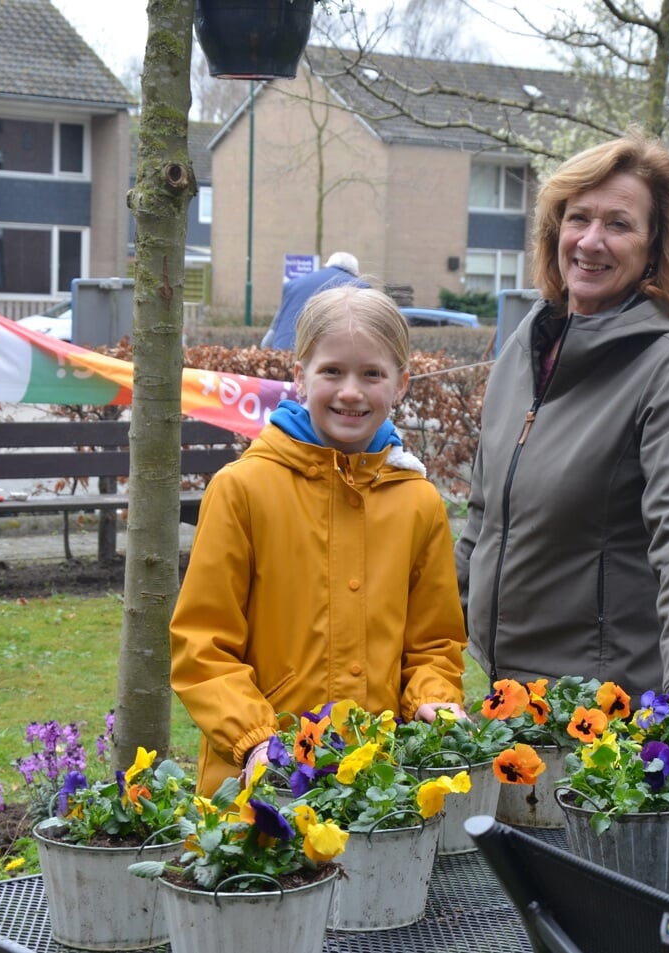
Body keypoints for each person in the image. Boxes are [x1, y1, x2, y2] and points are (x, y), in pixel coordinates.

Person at [454, 132, 669, 701]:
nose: (591, 241)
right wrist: (426, 643)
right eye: (578, 217)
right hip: (507, 691)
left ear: (655, 245)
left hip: (603, 705)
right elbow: (483, 520)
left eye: (619, 224)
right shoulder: (528, 345)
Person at [173, 285, 468, 793]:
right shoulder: (242, 489)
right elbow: (203, 644)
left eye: (372, 374)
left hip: (378, 784)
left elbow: (434, 642)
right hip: (261, 780)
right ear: (300, 377)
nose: (350, 392)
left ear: (401, 383)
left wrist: (433, 693)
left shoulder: (418, 502)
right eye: (332, 371)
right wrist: (256, 738)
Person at [260, 251, 368, 350]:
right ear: (356, 273)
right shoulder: (361, 289)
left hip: (282, 354)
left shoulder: (293, 285)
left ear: (325, 265)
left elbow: (272, 332)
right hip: (320, 356)